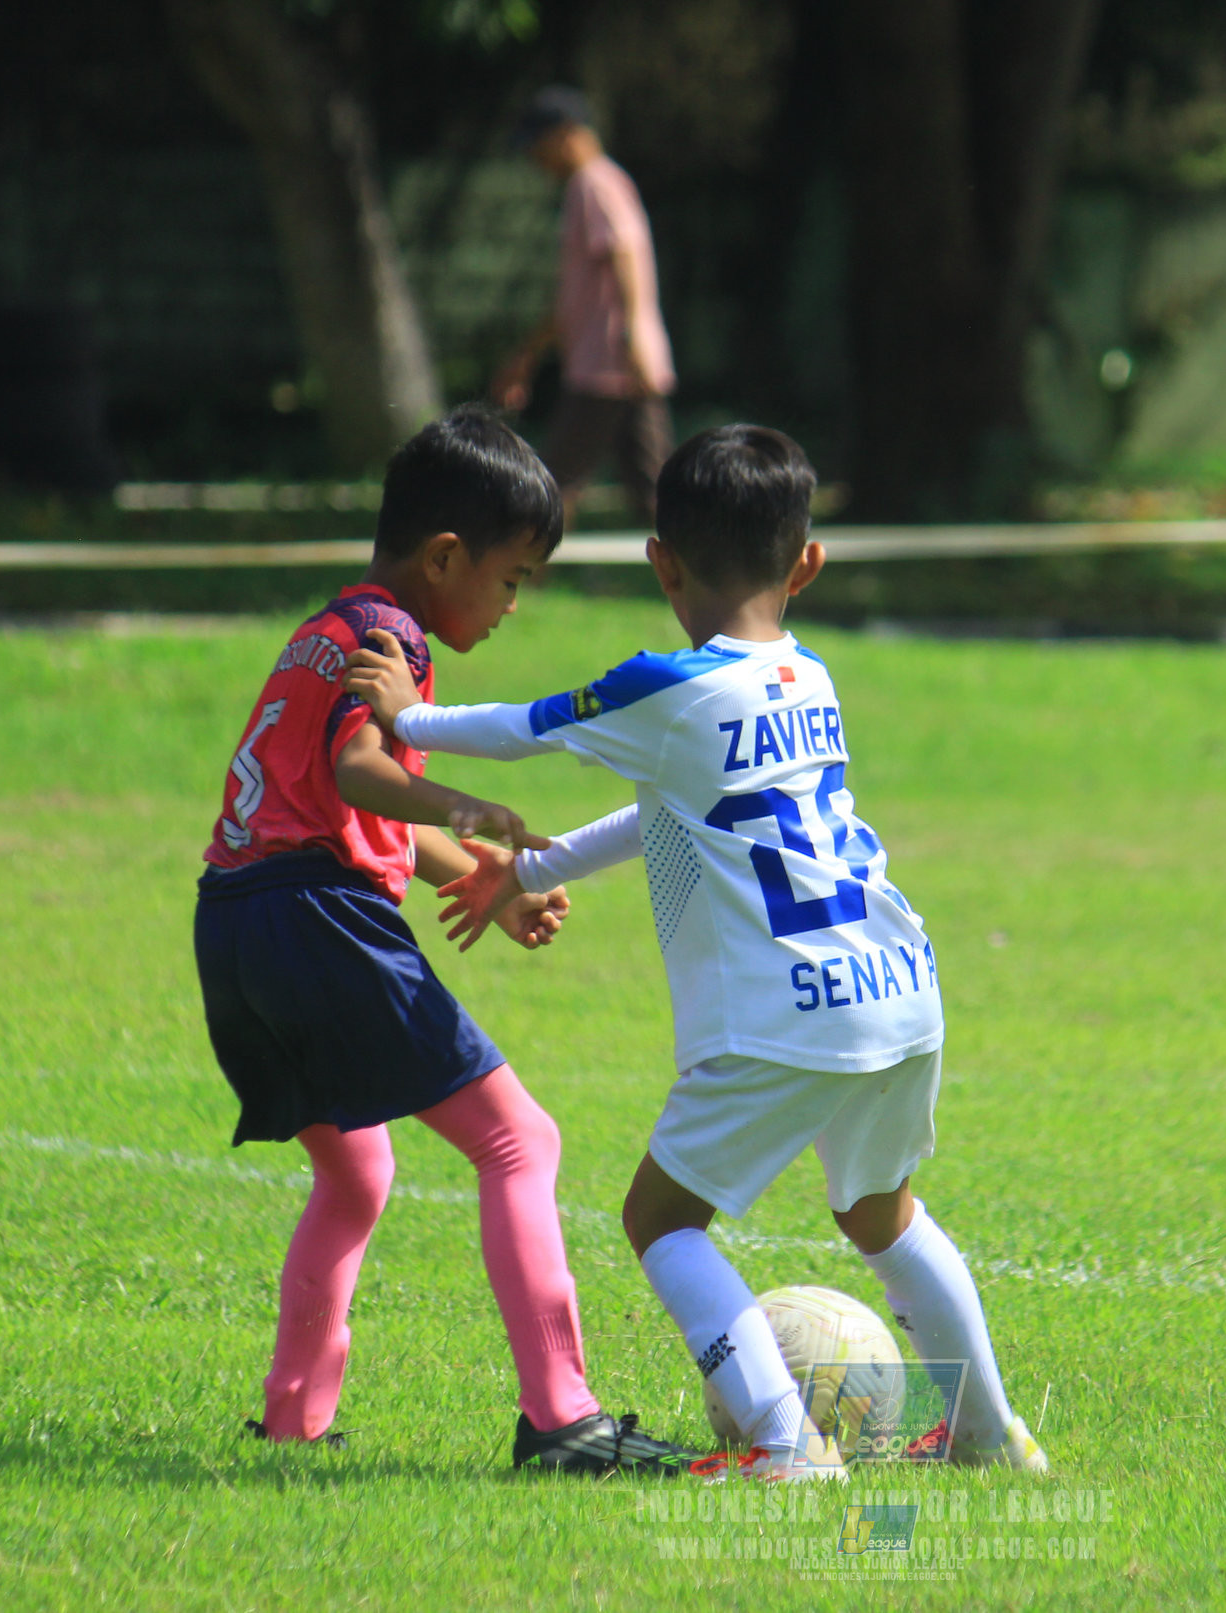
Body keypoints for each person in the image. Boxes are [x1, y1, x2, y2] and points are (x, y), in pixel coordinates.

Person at [342, 424, 1049, 1482]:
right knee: (880, 1211)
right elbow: (672, 813)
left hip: (786, 1011)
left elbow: (525, 728)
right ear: (807, 563)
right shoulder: (808, 675)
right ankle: (992, 1433)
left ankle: (786, 1446)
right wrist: (529, 871)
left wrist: (412, 716)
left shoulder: (666, 686)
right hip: (898, 983)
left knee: (661, 1219)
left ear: (661, 563)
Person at [192, 404, 695, 1475]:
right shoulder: (396, 638)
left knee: (355, 1170)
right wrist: (473, 809)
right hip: (318, 917)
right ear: (444, 556)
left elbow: (342, 804)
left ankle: (292, 1420)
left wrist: (481, 879)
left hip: (236, 919)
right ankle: (561, 1419)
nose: (513, 605)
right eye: (510, 579)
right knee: (520, 1141)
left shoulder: (327, 629)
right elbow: (362, 773)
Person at [491, 85, 677, 523]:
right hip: (614, 361)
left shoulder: (593, 183)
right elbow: (575, 298)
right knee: (656, 490)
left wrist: (632, 332)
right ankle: (694, 559)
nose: (535, 158)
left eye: (538, 145)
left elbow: (623, 253)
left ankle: (524, 561)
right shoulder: (596, 183)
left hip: (608, 361)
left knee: (551, 487)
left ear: (565, 134)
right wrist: (529, 353)